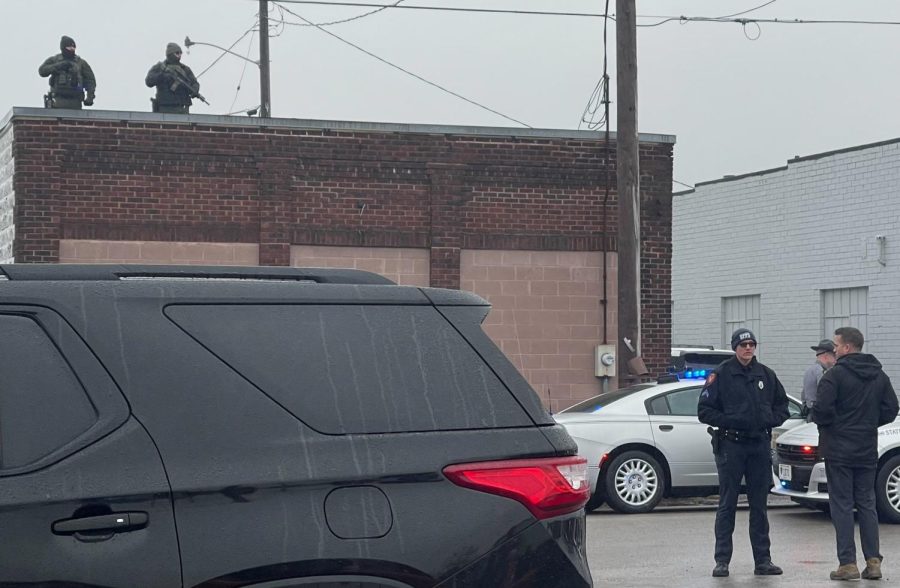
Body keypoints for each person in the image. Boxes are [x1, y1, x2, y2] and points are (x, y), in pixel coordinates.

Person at [698, 328, 789, 578]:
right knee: (727, 503)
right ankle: (722, 560)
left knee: (759, 505)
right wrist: (731, 420)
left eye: (751, 344)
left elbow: (783, 406)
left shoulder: (766, 375)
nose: (748, 348)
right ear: (735, 348)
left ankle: (763, 560)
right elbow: (704, 411)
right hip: (732, 445)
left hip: (759, 445)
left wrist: (769, 419)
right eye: (743, 345)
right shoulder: (722, 375)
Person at [812, 326, 899, 581]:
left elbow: (822, 411)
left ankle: (847, 563)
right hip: (866, 448)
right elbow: (891, 408)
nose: (834, 349)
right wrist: (868, 423)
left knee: (841, 505)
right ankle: (873, 562)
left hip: (839, 450)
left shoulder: (834, 376)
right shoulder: (879, 375)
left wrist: (836, 426)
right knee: (867, 503)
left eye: (836, 345)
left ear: (847, 347)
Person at [38, 35, 96, 109]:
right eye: (69, 47)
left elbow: (90, 81)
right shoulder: (54, 60)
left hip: (75, 101)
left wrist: (90, 97)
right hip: (57, 100)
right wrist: (57, 66)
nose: (71, 49)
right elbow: (42, 71)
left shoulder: (81, 63)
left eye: (73, 47)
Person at [145, 42, 201, 114]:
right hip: (164, 107)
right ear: (170, 54)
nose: (179, 55)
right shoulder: (160, 67)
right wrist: (163, 76)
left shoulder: (185, 69)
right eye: (177, 53)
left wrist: (195, 90)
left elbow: (194, 83)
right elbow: (148, 81)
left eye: (180, 53)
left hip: (182, 107)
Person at [802, 339, 836, 421]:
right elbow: (826, 394)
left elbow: (804, 395)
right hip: (819, 415)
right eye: (834, 356)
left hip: (812, 413)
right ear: (826, 356)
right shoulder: (821, 372)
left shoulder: (810, 370)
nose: (836, 359)